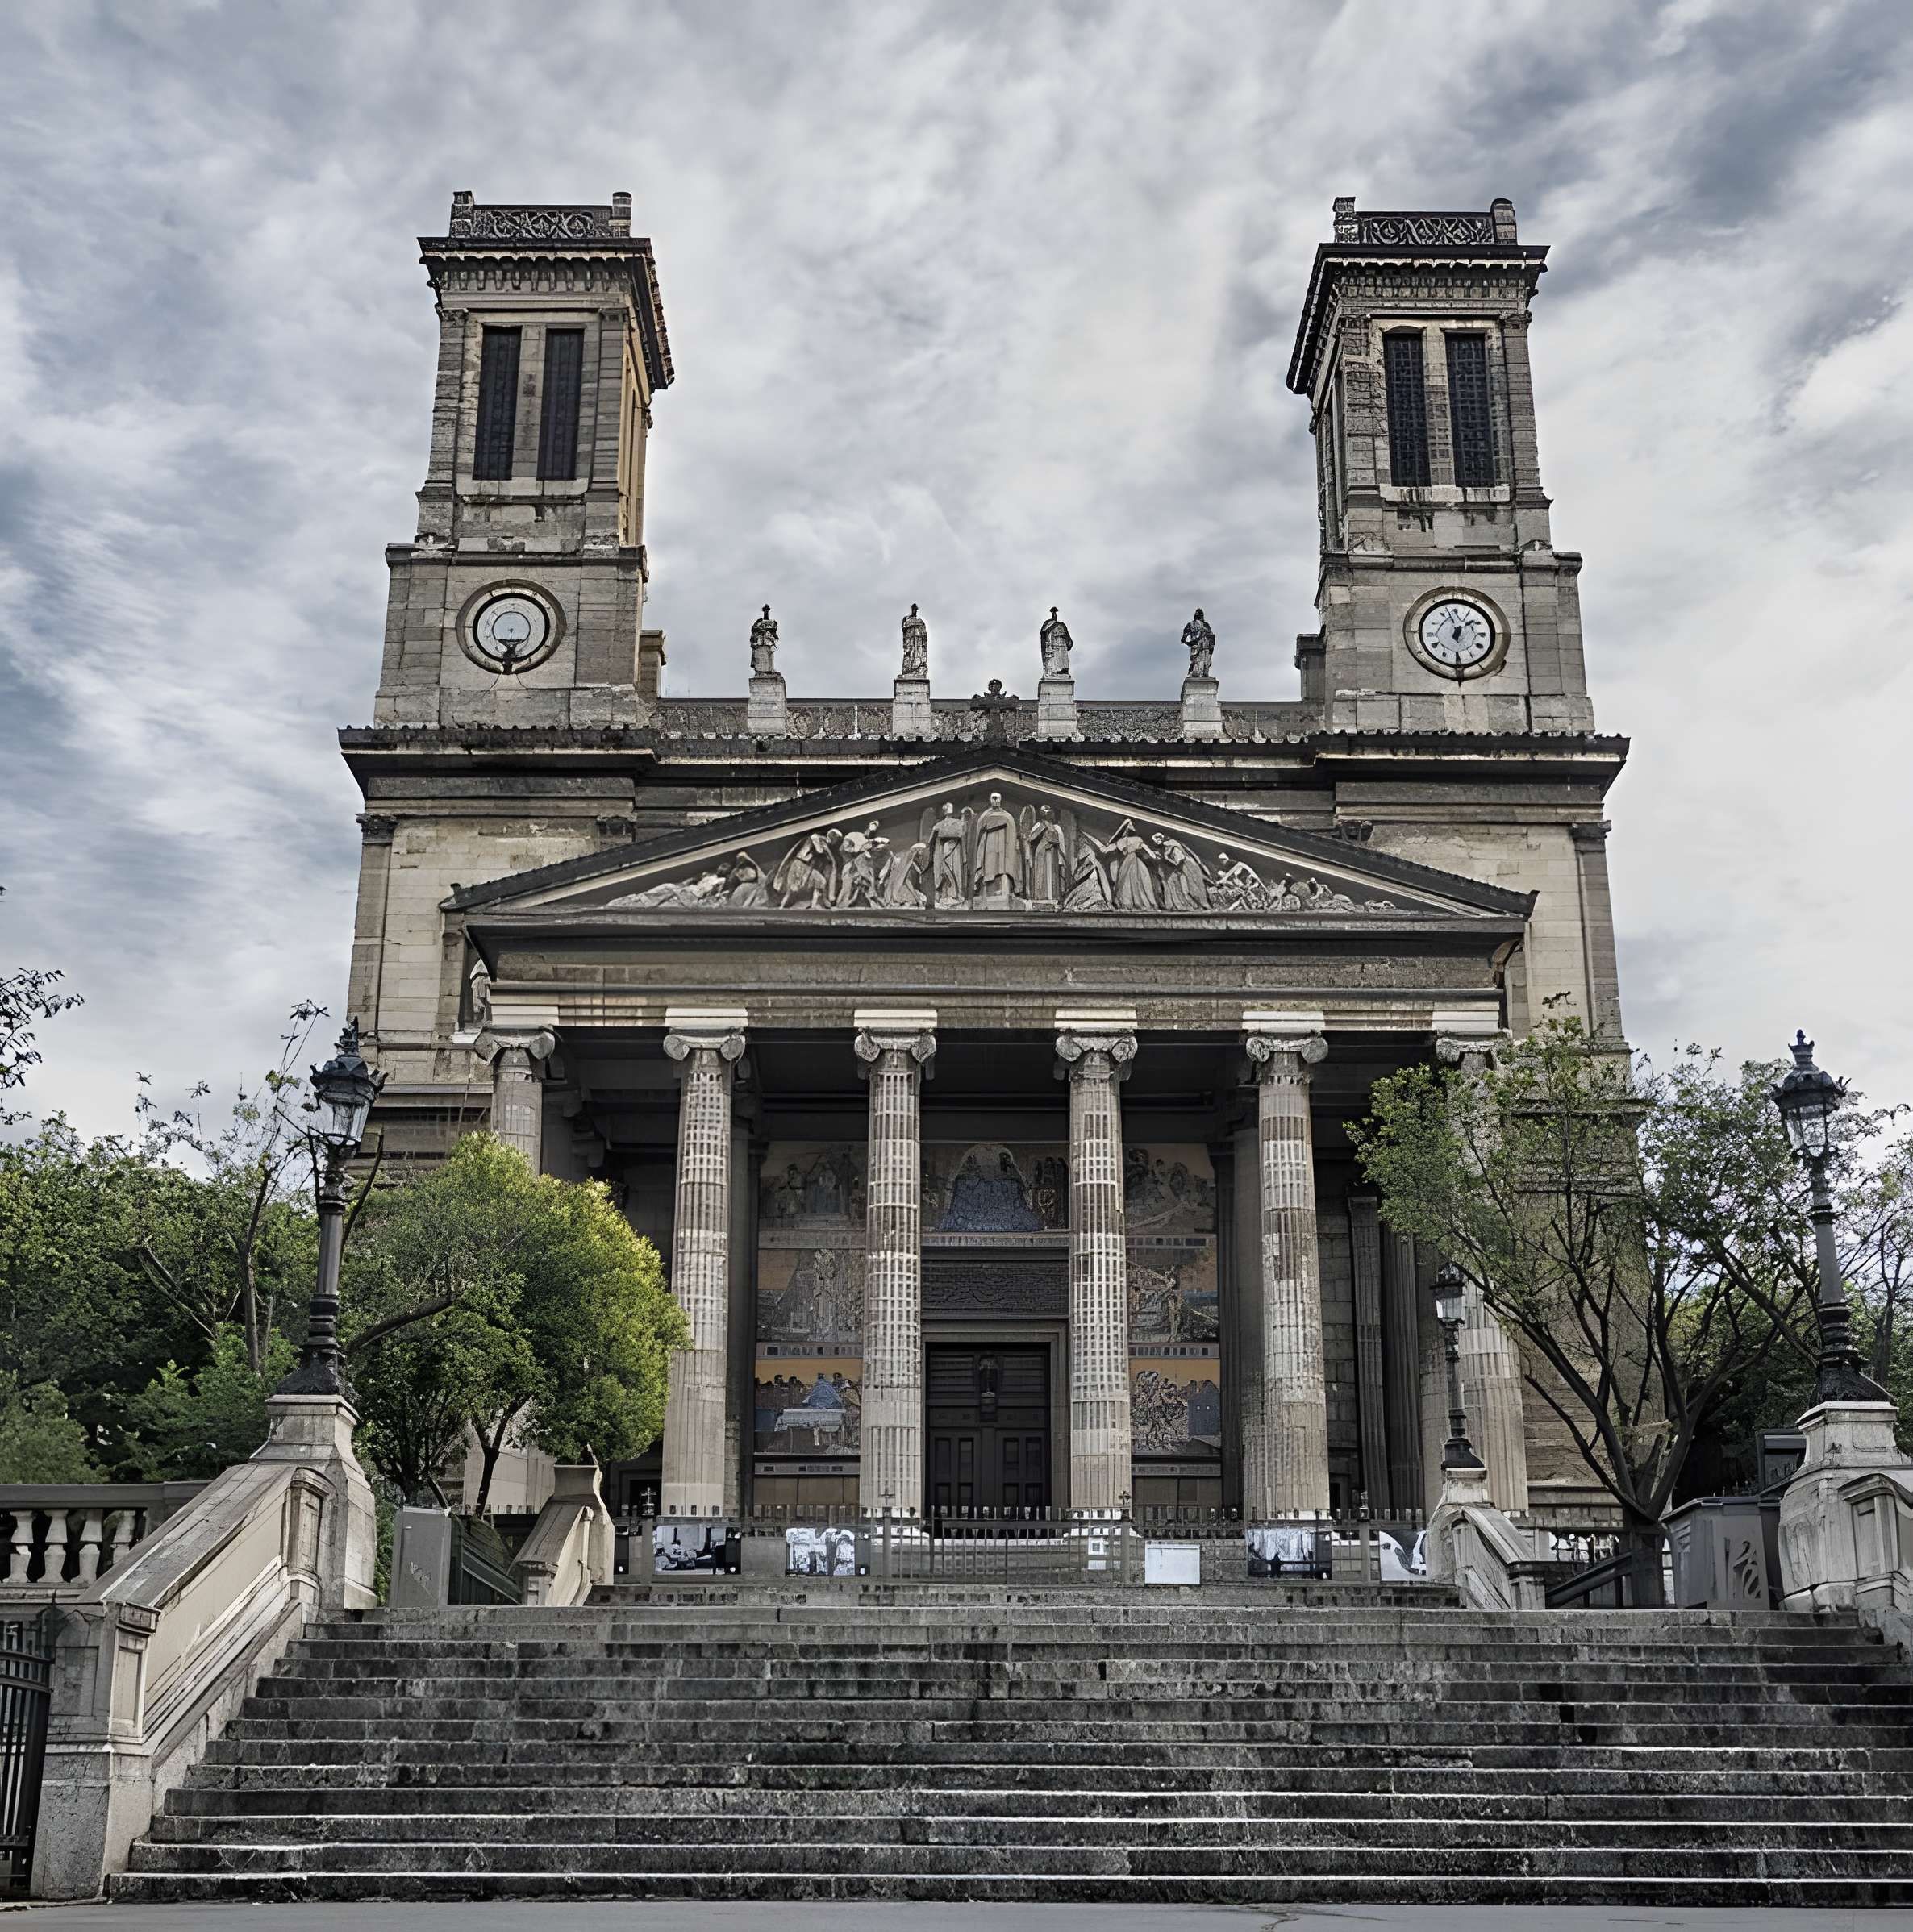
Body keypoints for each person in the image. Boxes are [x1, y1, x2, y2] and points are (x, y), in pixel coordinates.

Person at [1181, 607, 1215, 678]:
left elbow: (1183, 639)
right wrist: (1189, 642)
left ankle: (1202, 674)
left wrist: (1188, 642)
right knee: (1197, 661)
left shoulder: (1192, 625)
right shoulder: (1202, 625)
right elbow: (1183, 639)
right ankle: (1197, 673)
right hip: (1201, 646)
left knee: (1200, 661)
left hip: (1203, 646)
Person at [1040, 606, 1073, 677]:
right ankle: (1052, 672)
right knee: (1053, 659)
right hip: (1052, 646)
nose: (1055, 614)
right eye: (1053, 613)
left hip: (1062, 647)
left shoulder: (1062, 625)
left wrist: (1068, 642)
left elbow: (1068, 638)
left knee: (1061, 658)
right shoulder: (1048, 624)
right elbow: (1043, 633)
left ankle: (1062, 671)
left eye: (1055, 613)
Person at [900, 603, 929, 678]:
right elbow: (904, 628)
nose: (915, 611)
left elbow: (924, 634)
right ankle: (908, 671)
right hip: (910, 641)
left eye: (916, 610)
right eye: (914, 609)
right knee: (909, 654)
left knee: (917, 654)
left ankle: (917, 670)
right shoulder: (907, 620)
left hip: (918, 642)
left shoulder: (919, 621)